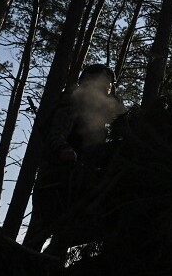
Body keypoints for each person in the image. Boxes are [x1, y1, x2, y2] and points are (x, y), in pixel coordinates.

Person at [23, 64, 125, 255]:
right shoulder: (71, 104)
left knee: (64, 237)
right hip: (55, 180)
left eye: (109, 86)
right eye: (102, 84)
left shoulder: (98, 114)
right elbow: (56, 135)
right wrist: (65, 149)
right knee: (38, 234)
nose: (105, 89)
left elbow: (118, 117)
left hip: (79, 181)